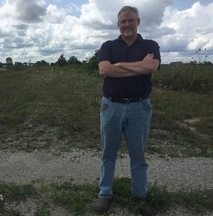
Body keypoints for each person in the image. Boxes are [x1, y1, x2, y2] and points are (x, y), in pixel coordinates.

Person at [93, 6, 161, 216]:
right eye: (123, 21)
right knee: (108, 153)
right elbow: (104, 69)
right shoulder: (108, 46)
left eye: (130, 20)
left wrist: (120, 65)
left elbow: (152, 67)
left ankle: (140, 197)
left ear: (138, 21)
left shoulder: (150, 45)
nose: (127, 25)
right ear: (118, 24)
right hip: (111, 106)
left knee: (138, 156)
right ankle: (105, 194)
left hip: (139, 107)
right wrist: (139, 65)